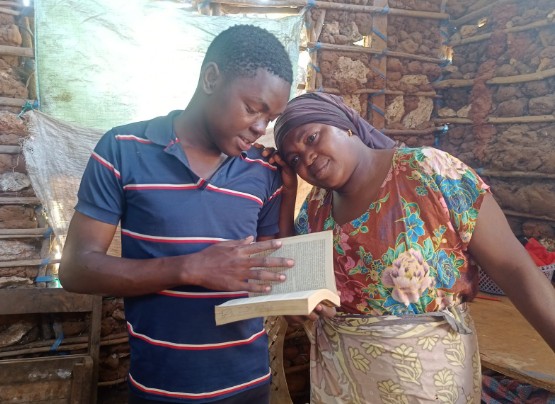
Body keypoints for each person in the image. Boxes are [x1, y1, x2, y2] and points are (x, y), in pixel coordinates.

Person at [59, 25, 296, 404]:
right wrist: (191, 268)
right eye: (253, 108)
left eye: (270, 118)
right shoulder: (123, 150)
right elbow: (75, 269)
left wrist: (291, 192)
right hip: (160, 387)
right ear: (211, 78)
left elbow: (271, 274)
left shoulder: (264, 172)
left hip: (248, 386)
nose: (259, 127)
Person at [271, 92, 555, 403]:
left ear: (346, 125)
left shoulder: (428, 171)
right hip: (341, 384)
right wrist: (288, 193)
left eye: (311, 138)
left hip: (428, 383)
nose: (307, 157)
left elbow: (514, 268)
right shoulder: (315, 208)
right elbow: (297, 281)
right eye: (295, 157)